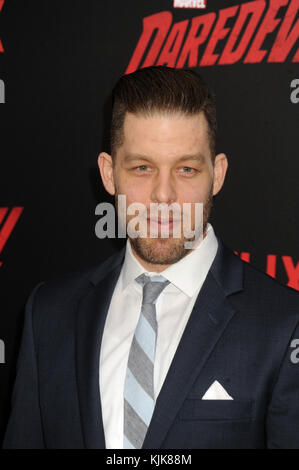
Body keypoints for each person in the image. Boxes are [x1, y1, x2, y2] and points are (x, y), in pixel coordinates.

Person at [3, 66, 299, 449]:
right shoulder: (49, 314)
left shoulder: (283, 325)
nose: (163, 195)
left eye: (187, 169)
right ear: (109, 174)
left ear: (218, 174)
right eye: (142, 168)